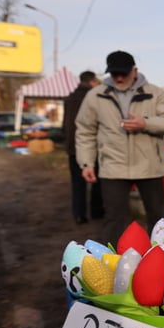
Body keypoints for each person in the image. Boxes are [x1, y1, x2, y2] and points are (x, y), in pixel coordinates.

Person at [74, 50, 164, 245]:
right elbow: (85, 131)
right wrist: (86, 163)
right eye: (115, 74)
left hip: (150, 166)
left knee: (158, 218)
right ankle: (111, 265)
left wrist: (145, 124)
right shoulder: (95, 96)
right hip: (113, 168)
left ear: (134, 70)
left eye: (124, 73)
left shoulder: (155, 93)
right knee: (114, 220)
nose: (119, 78)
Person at [63, 71, 104, 224]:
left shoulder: (69, 98)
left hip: (72, 147)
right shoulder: (93, 98)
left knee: (77, 183)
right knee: (96, 181)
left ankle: (79, 214)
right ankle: (96, 211)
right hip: (91, 147)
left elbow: (64, 124)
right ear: (92, 81)